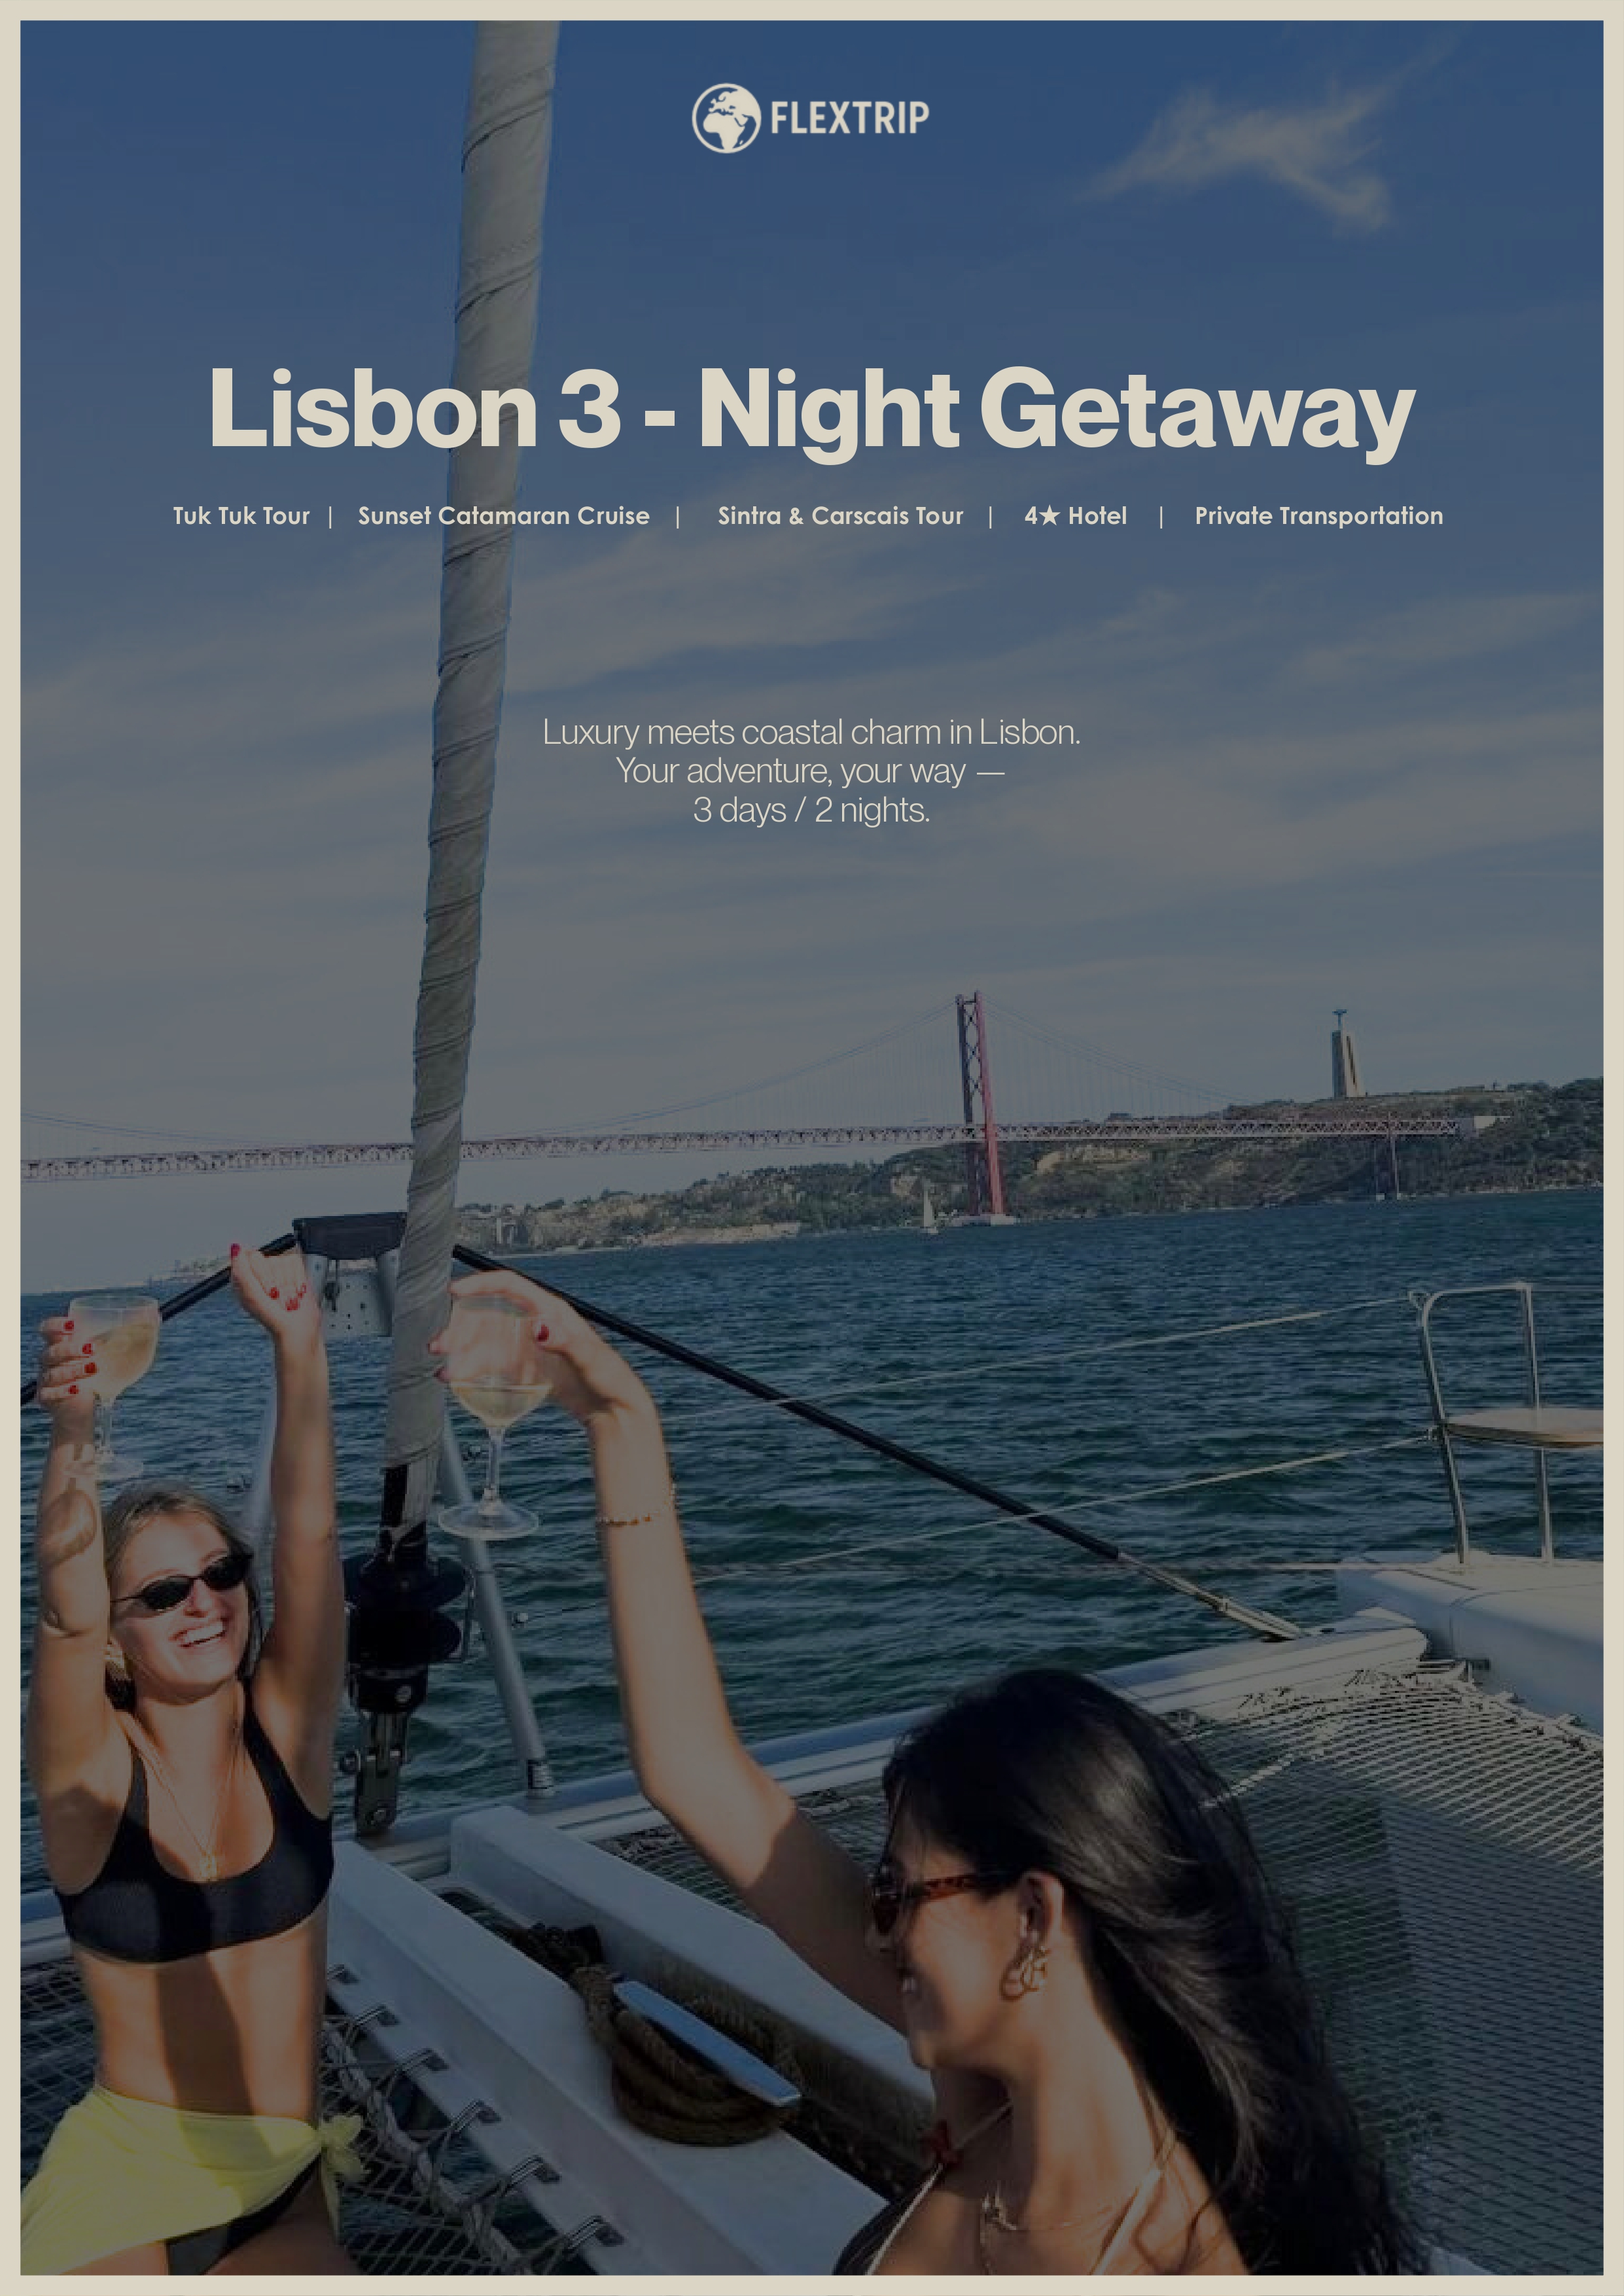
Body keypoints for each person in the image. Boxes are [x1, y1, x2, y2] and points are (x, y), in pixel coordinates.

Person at [438, 1269, 1422, 2276]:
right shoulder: (996, 2088)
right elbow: (695, 1771)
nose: (878, 1927)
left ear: (1035, 1916)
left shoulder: (1172, 2254)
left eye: (900, 1892)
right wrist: (618, 1423)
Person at [23, 1245, 359, 2275]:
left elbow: (308, 1535)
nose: (203, 1600)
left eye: (219, 1573)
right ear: (122, 1638)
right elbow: (66, 1615)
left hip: (279, 2171)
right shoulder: (90, 1780)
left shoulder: (287, 1738)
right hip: (127, 2181)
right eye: (163, 1593)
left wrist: (300, 1346)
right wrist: (72, 1436)